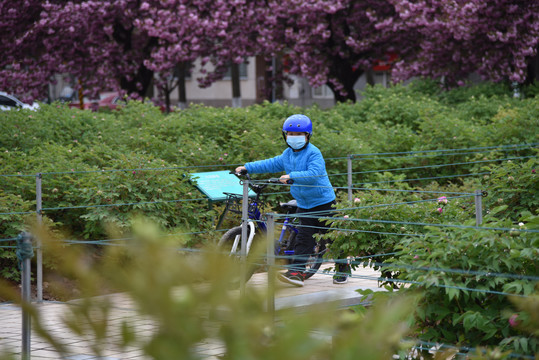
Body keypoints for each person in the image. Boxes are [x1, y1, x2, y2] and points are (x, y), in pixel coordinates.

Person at [235, 114, 350, 287]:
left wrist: (292, 176)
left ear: (307, 136)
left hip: (324, 203)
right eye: (290, 134)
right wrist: (247, 167)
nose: (294, 138)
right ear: (285, 135)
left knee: (332, 238)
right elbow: (271, 164)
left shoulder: (314, 153)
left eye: (299, 134)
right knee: (304, 238)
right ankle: (296, 273)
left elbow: (314, 174)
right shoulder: (287, 154)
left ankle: (343, 268)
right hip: (304, 204)